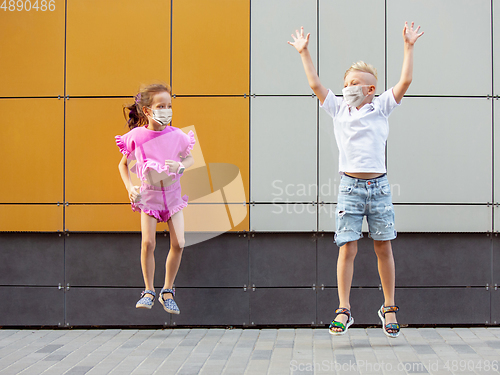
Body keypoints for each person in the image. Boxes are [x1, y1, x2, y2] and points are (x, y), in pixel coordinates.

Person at [288, 22, 423, 338]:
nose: (348, 87)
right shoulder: (338, 109)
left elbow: (406, 80)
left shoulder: (381, 107)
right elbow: (314, 83)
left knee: (383, 247)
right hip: (349, 186)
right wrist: (304, 51)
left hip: (379, 187)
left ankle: (389, 307)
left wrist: (409, 46)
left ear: (370, 89)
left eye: (355, 83)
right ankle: (344, 309)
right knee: (347, 247)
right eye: (346, 82)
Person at [116, 83, 195, 314]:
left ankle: (167, 291)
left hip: (173, 197)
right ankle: (148, 290)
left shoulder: (177, 135)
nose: (167, 110)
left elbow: (189, 159)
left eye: (169, 106)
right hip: (149, 197)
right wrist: (130, 186)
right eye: (161, 106)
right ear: (147, 110)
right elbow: (122, 165)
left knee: (179, 243)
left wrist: (181, 165)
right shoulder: (137, 137)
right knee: (148, 243)